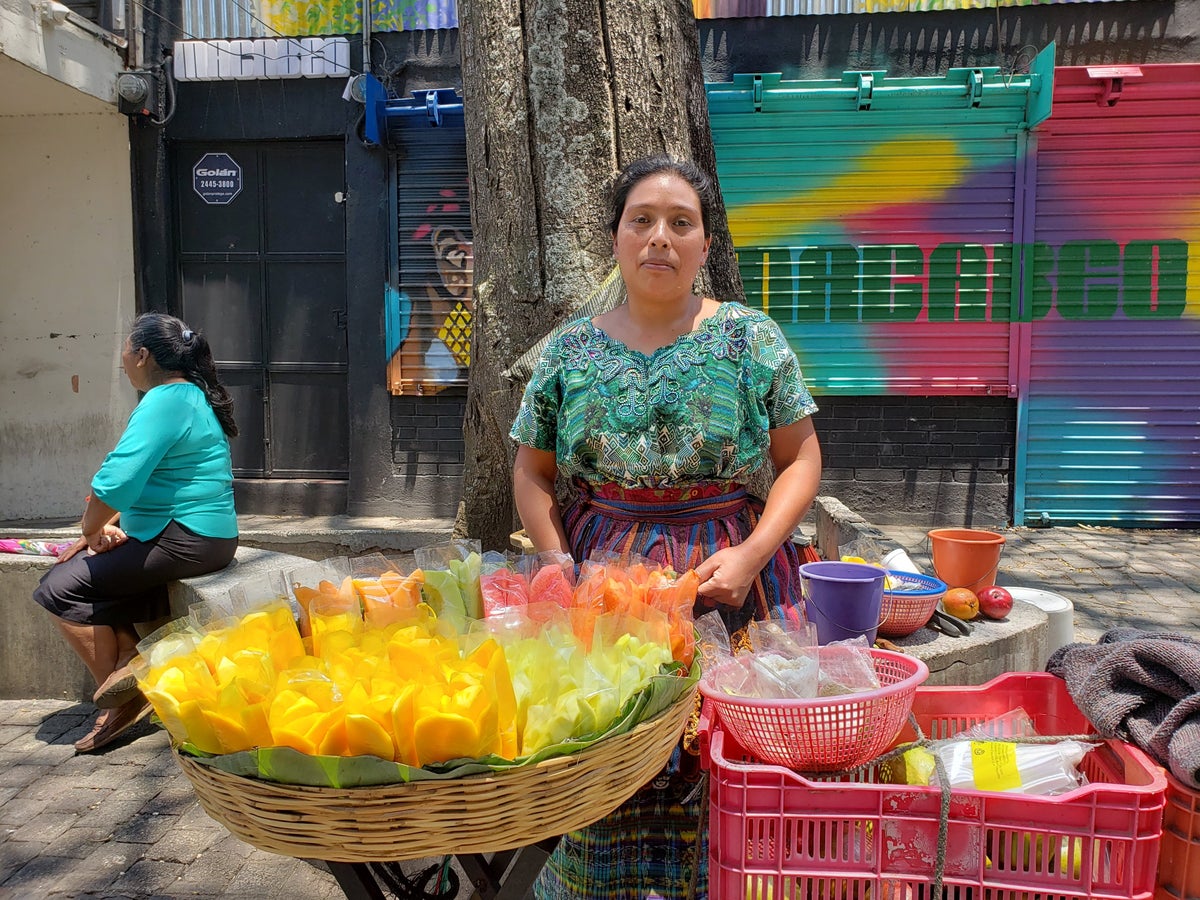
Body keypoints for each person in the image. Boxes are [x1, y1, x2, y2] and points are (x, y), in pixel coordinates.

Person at [509, 156, 822, 899]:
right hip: (604, 595)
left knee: (727, 762)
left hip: (733, 586)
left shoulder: (750, 338)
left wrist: (753, 555)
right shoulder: (568, 350)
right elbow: (531, 470)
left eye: (681, 223)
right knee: (606, 759)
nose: (660, 237)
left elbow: (801, 459)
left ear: (705, 244)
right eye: (641, 220)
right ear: (615, 238)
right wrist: (557, 566)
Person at [33, 313, 240, 754]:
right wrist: (109, 524)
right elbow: (156, 478)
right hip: (203, 537)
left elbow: (118, 480)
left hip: (185, 538)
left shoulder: (165, 400)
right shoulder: (191, 394)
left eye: (126, 350)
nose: (123, 359)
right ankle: (129, 659)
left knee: (57, 587)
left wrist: (91, 529)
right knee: (95, 575)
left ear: (143, 355)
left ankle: (120, 692)